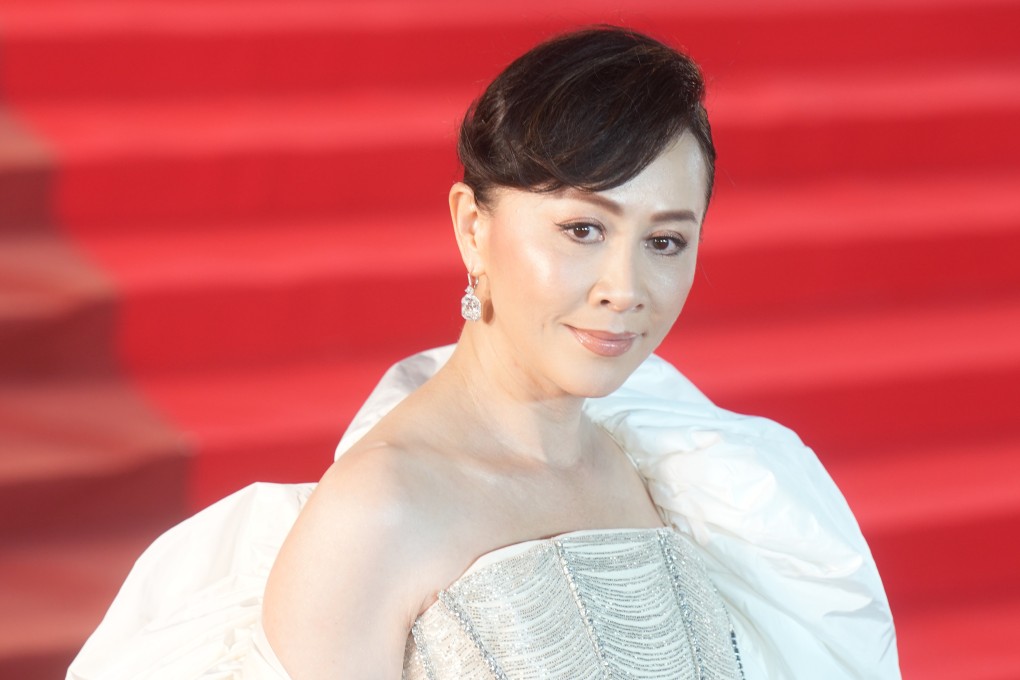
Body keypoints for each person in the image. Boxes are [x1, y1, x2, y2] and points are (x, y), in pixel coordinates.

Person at [67, 26, 899, 679]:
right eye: (583, 229)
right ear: (473, 225)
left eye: (668, 241)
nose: (626, 286)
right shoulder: (377, 512)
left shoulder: (664, 469)